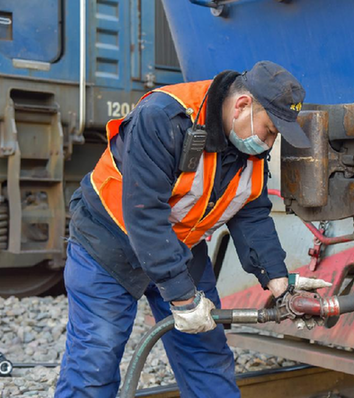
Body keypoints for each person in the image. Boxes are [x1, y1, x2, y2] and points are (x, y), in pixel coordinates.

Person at [55, 61, 331, 398]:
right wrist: (184, 298)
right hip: (108, 242)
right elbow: (144, 214)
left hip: (178, 246)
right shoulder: (163, 117)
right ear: (242, 106)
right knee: (95, 363)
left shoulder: (247, 148)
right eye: (270, 130)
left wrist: (278, 280)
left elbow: (252, 215)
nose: (270, 143)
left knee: (207, 357)